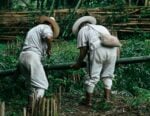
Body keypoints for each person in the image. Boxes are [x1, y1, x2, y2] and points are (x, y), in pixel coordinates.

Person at [71, 16, 120, 106]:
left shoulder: (83, 30)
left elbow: (83, 49)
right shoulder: (102, 27)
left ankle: (88, 102)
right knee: (108, 75)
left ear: (80, 26)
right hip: (113, 49)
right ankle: (107, 99)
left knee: (92, 77)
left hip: (98, 49)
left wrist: (78, 63)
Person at [18, 16, 60, 106]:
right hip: (32, 56)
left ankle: (30, 107)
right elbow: (48, 37)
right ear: (51, 24)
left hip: (22, 56)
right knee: (42, 85)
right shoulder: (46, 27)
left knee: (31, 85)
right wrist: (49, 49)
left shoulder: (33, 30)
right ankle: (36, 107)